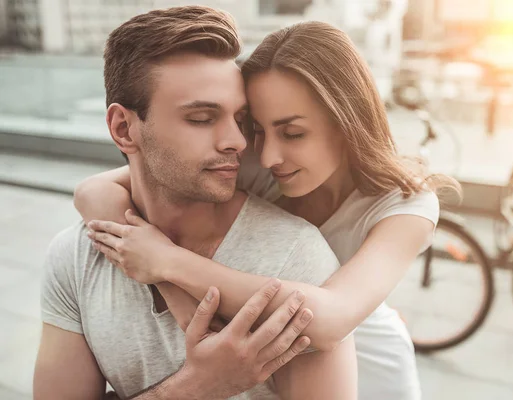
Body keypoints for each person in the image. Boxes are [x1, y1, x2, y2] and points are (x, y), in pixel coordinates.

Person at [77, 20, 450, 400]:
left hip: (375, 372)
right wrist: (173, 292)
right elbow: (93, 190)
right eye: (257, 129)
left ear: (345, 122)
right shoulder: (257, 162)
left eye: (293, 133)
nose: (269, 154)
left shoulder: (406, 205)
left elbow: (329, 320)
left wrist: (168, 262)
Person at [34, 7, 357, 400]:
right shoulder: (75, 258)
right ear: (123, 128)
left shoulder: (296, 259)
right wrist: (199, 386)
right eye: (202, 118)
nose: (236, 142)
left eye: (240, 119)